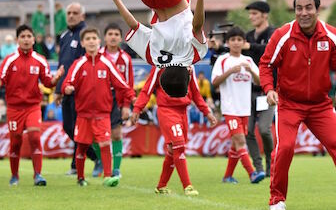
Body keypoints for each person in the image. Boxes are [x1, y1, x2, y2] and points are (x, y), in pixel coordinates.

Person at [260, 0, 336, 210]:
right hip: (289, 104)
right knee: (285, 148)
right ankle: (277, 199)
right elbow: (266, 65)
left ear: (317, 10)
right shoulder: (282, 35)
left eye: (308, 7)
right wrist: (269, 89)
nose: (303, 13)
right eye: (299, 8)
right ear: (295, 10)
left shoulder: (332, 36)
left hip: (321, 105)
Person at [61, 27, 135, 187]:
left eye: (94, 38)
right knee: (81, 146)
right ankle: (80, 178)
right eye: (88, 39)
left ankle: (108, 176)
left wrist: (132, 97)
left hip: (103, 113)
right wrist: (67, 88)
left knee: (105, 143)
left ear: (98, 41)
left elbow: (122, 84)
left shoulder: (107, 63)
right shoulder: (78, 63)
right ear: (83, 43)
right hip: (83, 115)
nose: (91, 41)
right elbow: (68, 81)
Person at [0, 25, 65, 186]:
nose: (26, 39)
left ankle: (38, 175)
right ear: (17, 40)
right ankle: (14, 176)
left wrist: (57, 79)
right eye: (23, 37)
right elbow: (1, 80)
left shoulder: (40, 60)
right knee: (16, 142)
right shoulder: (9, 60)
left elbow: (48, 82)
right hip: (14, 108)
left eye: (29, 36)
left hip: (33, 106)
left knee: (34, 137)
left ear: (33, 40)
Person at [133, 65, 217, 196]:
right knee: (179, 146)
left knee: (173, 150)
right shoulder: (159, 65)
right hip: (167, 110)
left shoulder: (189, 66)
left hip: (184, 112)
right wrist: (137, 108)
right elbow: (147, 89)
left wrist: (207, 112)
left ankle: (161, 186)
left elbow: (195, 93)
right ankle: (187, 186)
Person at [211, 27, 264, 184]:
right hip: (230, 108)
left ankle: (227, 176)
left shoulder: (248, 61)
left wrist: (252, 72)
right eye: (233, 40)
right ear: (227, 43)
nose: (236, 43)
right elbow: (214, 82)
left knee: (236, 144)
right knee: (241, 140)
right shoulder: (223, 60)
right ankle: (252, 173)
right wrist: (230, 72)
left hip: (245, 109)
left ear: (244, 42)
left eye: (239, 40)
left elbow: (260, 82)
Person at [53, 2, 99, 175]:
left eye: (75, 13)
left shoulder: (85, 35)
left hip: (81, 90)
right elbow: (62, 65)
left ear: (83, 16)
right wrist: (58, 89)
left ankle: (94, 158)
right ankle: (80, 161)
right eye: (69, 13)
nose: (71, 16)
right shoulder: (64, 36)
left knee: (77, 128)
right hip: (66, 89)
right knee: (69, 127)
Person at [242, 1, 275, 177]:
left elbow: (270, 50)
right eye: (251, 13)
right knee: (247, 131)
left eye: (255, 13)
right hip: (247, 91)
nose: (251, 17)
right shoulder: (247, 35)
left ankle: (271, 163)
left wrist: (250, 47)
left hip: (267, 91)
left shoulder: (273, 33)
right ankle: (259, 168)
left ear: (264, 15)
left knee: (264, 129)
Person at [96, 23, 134, 178]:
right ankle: (103, 163)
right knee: (95, 137)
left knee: (117, 134)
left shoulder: (125, 59)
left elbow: (128, 83)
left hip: (116, 102)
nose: (113, 37)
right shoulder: (97, 55)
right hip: (98, 101)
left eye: (116, 34)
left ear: (120, 38)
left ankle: (116, 169)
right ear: (104, 37)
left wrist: (126, 106)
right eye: (110, 34)